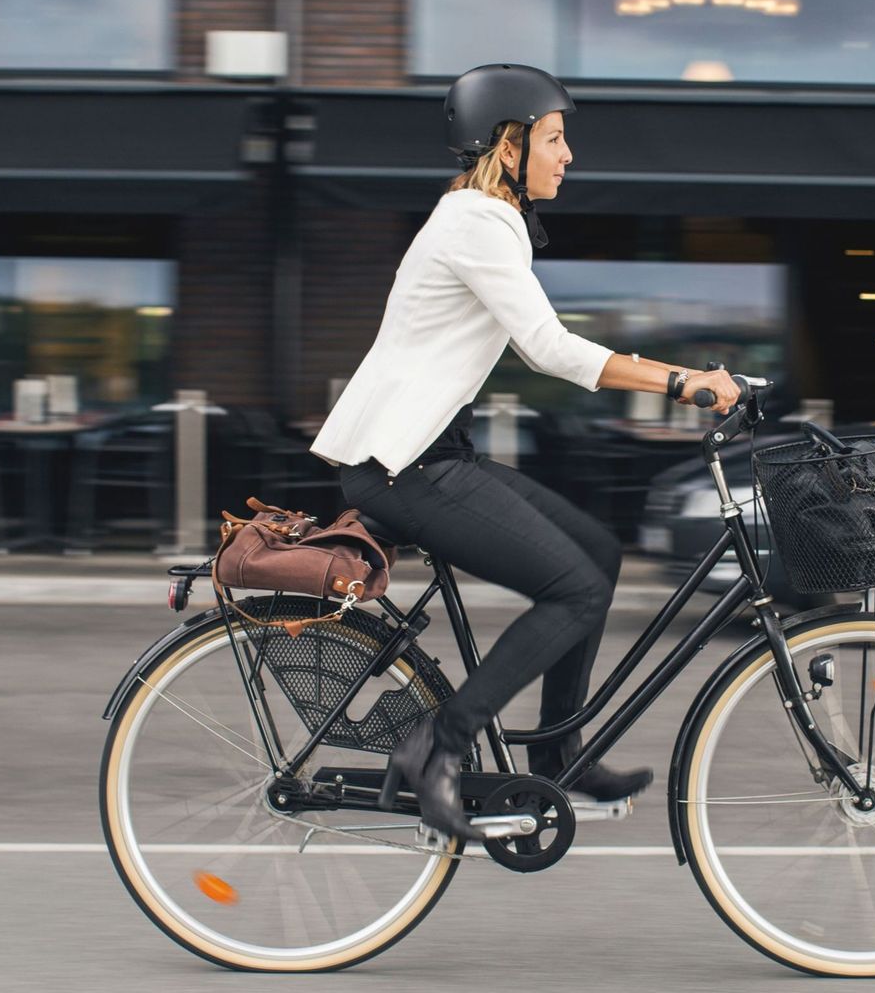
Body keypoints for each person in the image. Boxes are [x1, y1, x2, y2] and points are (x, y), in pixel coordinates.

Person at [310, 63, 742, 838]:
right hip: (403, 464)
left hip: (433, 454)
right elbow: (549, 348)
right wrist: (682, 382)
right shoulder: (477, 220)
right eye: (554, 138)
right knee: (572, 590)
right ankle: (434, 746)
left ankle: (557, 756)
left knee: (597, 554)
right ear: (507, 147)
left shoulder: (479, 219)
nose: (568, 154)